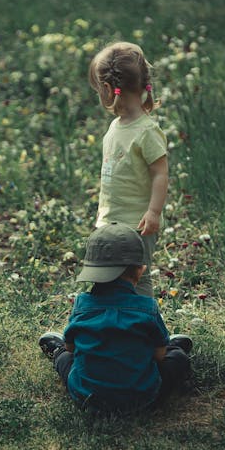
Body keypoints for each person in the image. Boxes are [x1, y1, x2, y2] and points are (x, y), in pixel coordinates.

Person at [39, 223, 192, 413]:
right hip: (142, 399)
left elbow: (71, 348)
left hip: (87, 398)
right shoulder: (147, 309)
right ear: (140, 270)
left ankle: (54, 352)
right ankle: (173, 346)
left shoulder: (82, 305)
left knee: (65, 358)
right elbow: (159, 356)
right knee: (176, 358)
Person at [88, 41, 168, 297]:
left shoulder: (147, 131)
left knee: (138, 280)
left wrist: (153, 212)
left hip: (137, 225)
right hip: (110, 224)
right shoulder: (116, 126)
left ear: (109, 89)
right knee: (104, 278)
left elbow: (160, 173)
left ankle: (146, 330)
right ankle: (111, 325)